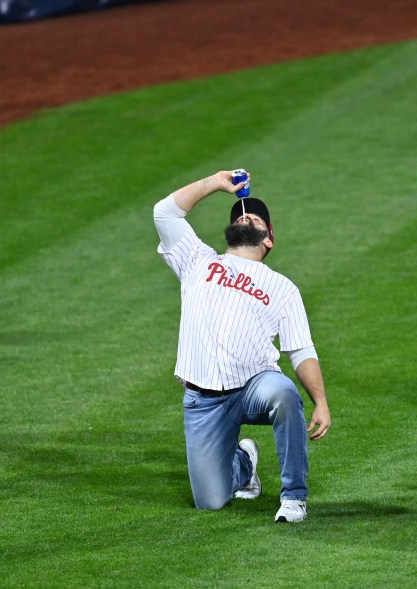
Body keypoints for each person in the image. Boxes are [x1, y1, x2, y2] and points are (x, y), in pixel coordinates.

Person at [153, 170, 331, 521]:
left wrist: (321, 402)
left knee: (282, 392)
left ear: (269, 240)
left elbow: (301, 350)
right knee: (211, 501)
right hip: (202, 401)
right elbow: (164, 213)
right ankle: (244, 463)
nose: (245, 216)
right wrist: (214, 183)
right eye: (240, 216)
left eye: (256, 217)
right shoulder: (198, 261)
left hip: (254, 387)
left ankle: (294, 497)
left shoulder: (282, 288)